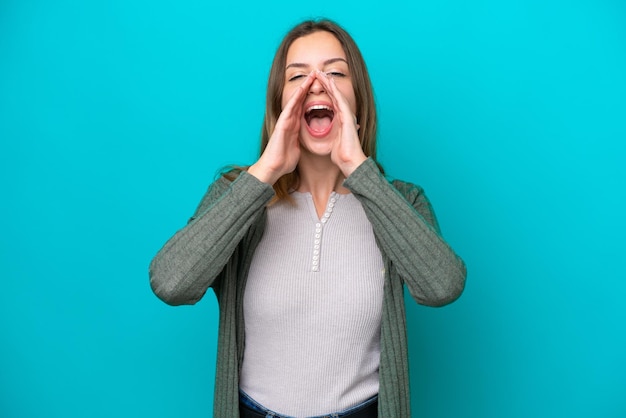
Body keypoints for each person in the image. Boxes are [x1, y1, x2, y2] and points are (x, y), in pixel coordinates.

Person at [149, 18, 466, 418]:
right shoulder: (239, 193)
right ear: (280, 105)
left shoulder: (401, 200)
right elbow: (170, 283)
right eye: (298, 76)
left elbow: (442, 287)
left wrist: (359, 170)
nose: (317, 84)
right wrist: (265, 172)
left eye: (334, 72)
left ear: (358, 103)